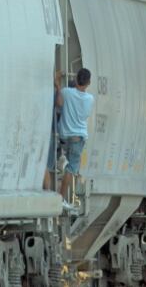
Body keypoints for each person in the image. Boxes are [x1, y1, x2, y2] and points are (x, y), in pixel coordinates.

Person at [53, 68, 95, 205]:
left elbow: (59, 104)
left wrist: (58, 84)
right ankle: (61, 198)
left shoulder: (66, 93)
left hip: (64, 137)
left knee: (62, 156)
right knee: (71, 169)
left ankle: (60, 162)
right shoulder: (90, 99)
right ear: (88, 83)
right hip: (79, 138)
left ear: (76, 79)